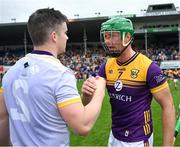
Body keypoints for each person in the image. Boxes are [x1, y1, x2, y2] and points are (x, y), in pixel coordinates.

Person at [0, 8, 106, 146]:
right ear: (54, 36)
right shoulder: (60, 74)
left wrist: (85, 98)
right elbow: (83, 125)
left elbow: (2, 118)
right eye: (65, 32)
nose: (67, 37)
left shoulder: (10, 73)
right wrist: (100, 91)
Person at [82, 16, 175, 146]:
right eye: (106, 36)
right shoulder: (106, 66)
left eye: (113, 36)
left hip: (138, 139)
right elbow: (90, 102)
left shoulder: (149, 68)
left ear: (127, 37)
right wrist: (86, 95)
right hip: (114, 136)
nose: (108, 41)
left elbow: (168, 106)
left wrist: (168, 145)